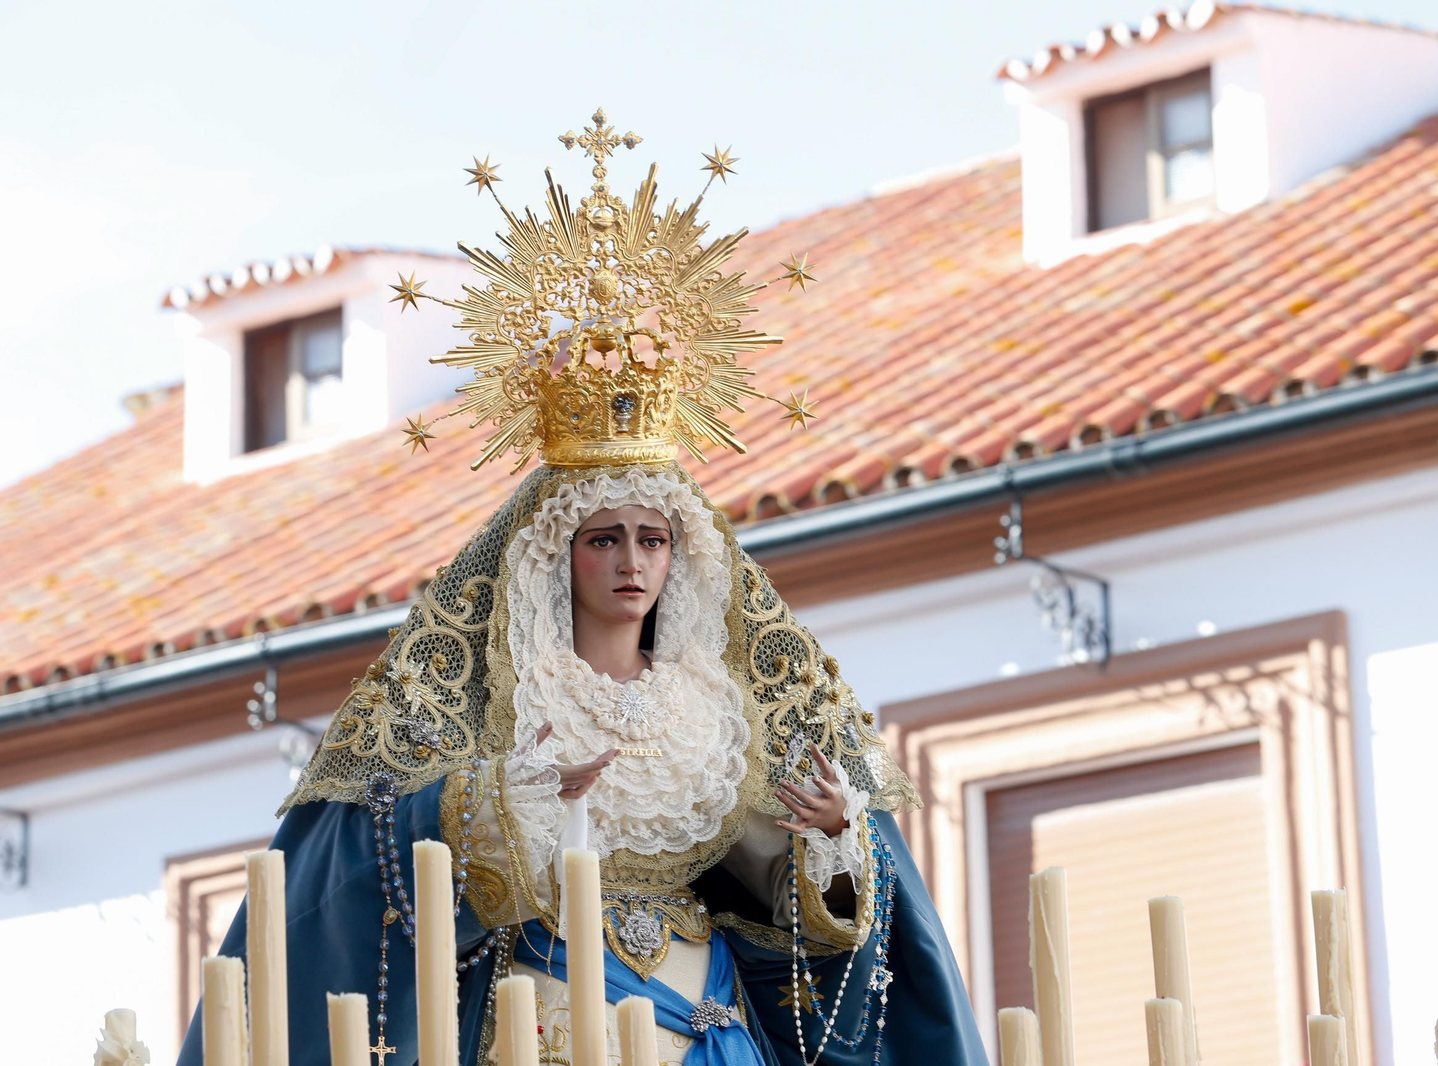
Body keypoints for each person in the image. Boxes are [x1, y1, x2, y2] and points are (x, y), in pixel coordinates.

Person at [174, 112, 987, 1066]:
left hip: (716, 1024)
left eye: (653, 539)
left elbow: (809, 929)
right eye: (606, 539)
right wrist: (498, 803)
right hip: (555, 1022)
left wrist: (835, 844)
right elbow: (354, 873)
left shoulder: (721, 708)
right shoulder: (484, 708)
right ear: (555, 555)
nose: (633, 563)